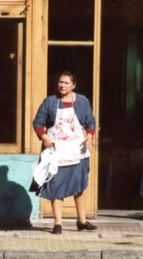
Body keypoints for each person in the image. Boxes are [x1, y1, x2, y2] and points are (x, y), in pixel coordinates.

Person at [32, 71, 97, 234]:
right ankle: (58, 223)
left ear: (73, 85)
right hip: (57, 151)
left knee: (79, 186)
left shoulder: (82, 101)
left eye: (66, 83)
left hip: (77, 150)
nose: (62, 85)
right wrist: (45, 137)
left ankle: (82, 221)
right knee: (56, 186)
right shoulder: (50, 102)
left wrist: (89, 136)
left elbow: (90, 122)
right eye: (60, 82)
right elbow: (38, 123)